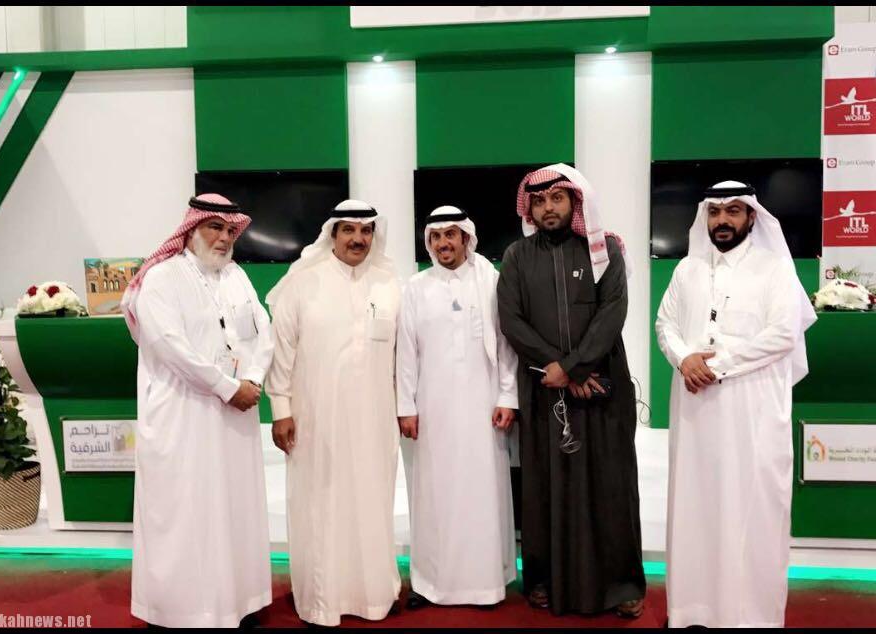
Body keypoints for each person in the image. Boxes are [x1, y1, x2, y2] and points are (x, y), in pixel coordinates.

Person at [655, 181, 816, 628]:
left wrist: (716, 366)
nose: (722, 220)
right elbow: (665, 324)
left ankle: (750, 616)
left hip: (752, 413)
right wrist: (684, 359)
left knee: (753, 509)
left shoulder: (774, 269)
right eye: (715, 211)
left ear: (751, 217)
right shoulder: (687, 269)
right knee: (695, 509)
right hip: (696, 414)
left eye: (733, 211)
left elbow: (783, 334)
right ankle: (693, 611)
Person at [497, 163, 646, 617]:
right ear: (529, 208)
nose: (548, 208)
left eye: (556, 199)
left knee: (611, 486)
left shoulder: (605, 249)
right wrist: (558, 368)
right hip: (544, 388)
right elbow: (512, 321)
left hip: (601, 387)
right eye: (539, 201)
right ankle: (543, 580)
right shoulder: (517, 257)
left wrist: (576, 367)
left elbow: (613, 310)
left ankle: (621, 586)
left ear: (575, 202)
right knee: (543, 487)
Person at [121, 194, 273, 628]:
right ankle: (179, 611)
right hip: (183, 417)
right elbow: (168, 346)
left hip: (235, 415)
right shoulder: (162, 278)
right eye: (215, 227)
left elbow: (262, 331)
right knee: (185, 513)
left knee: (233, 509)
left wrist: (253, 379)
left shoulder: (237, 276)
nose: (225, 237)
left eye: (230, 230)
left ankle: (235, 604)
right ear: (190, 230)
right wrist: (227, 387)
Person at [265, 199, 402, 627]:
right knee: (320, 504)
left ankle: (373, 594)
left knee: (372, 501)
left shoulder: (390, 284)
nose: (358, 239)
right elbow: (282, 350)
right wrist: (281, 409)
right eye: (349, 230)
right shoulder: (303, 283)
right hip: (315, 418)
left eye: (366, 231)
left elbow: (403, 357)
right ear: (333, 234)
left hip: (375, 418)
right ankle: (322, 599)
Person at [396, 205, 519, 609]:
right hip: (432, 410)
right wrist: (406, 406)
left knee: (483, 493)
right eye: (436, 237)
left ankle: (485, 584)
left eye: (451, 235)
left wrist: (507, 396)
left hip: (484, 409)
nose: (443, 243)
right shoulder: (416, 287)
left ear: (467, 238)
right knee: (434, 495)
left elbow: (506, 346)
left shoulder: (490, 281)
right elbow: (406, 353)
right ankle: (431, 583)